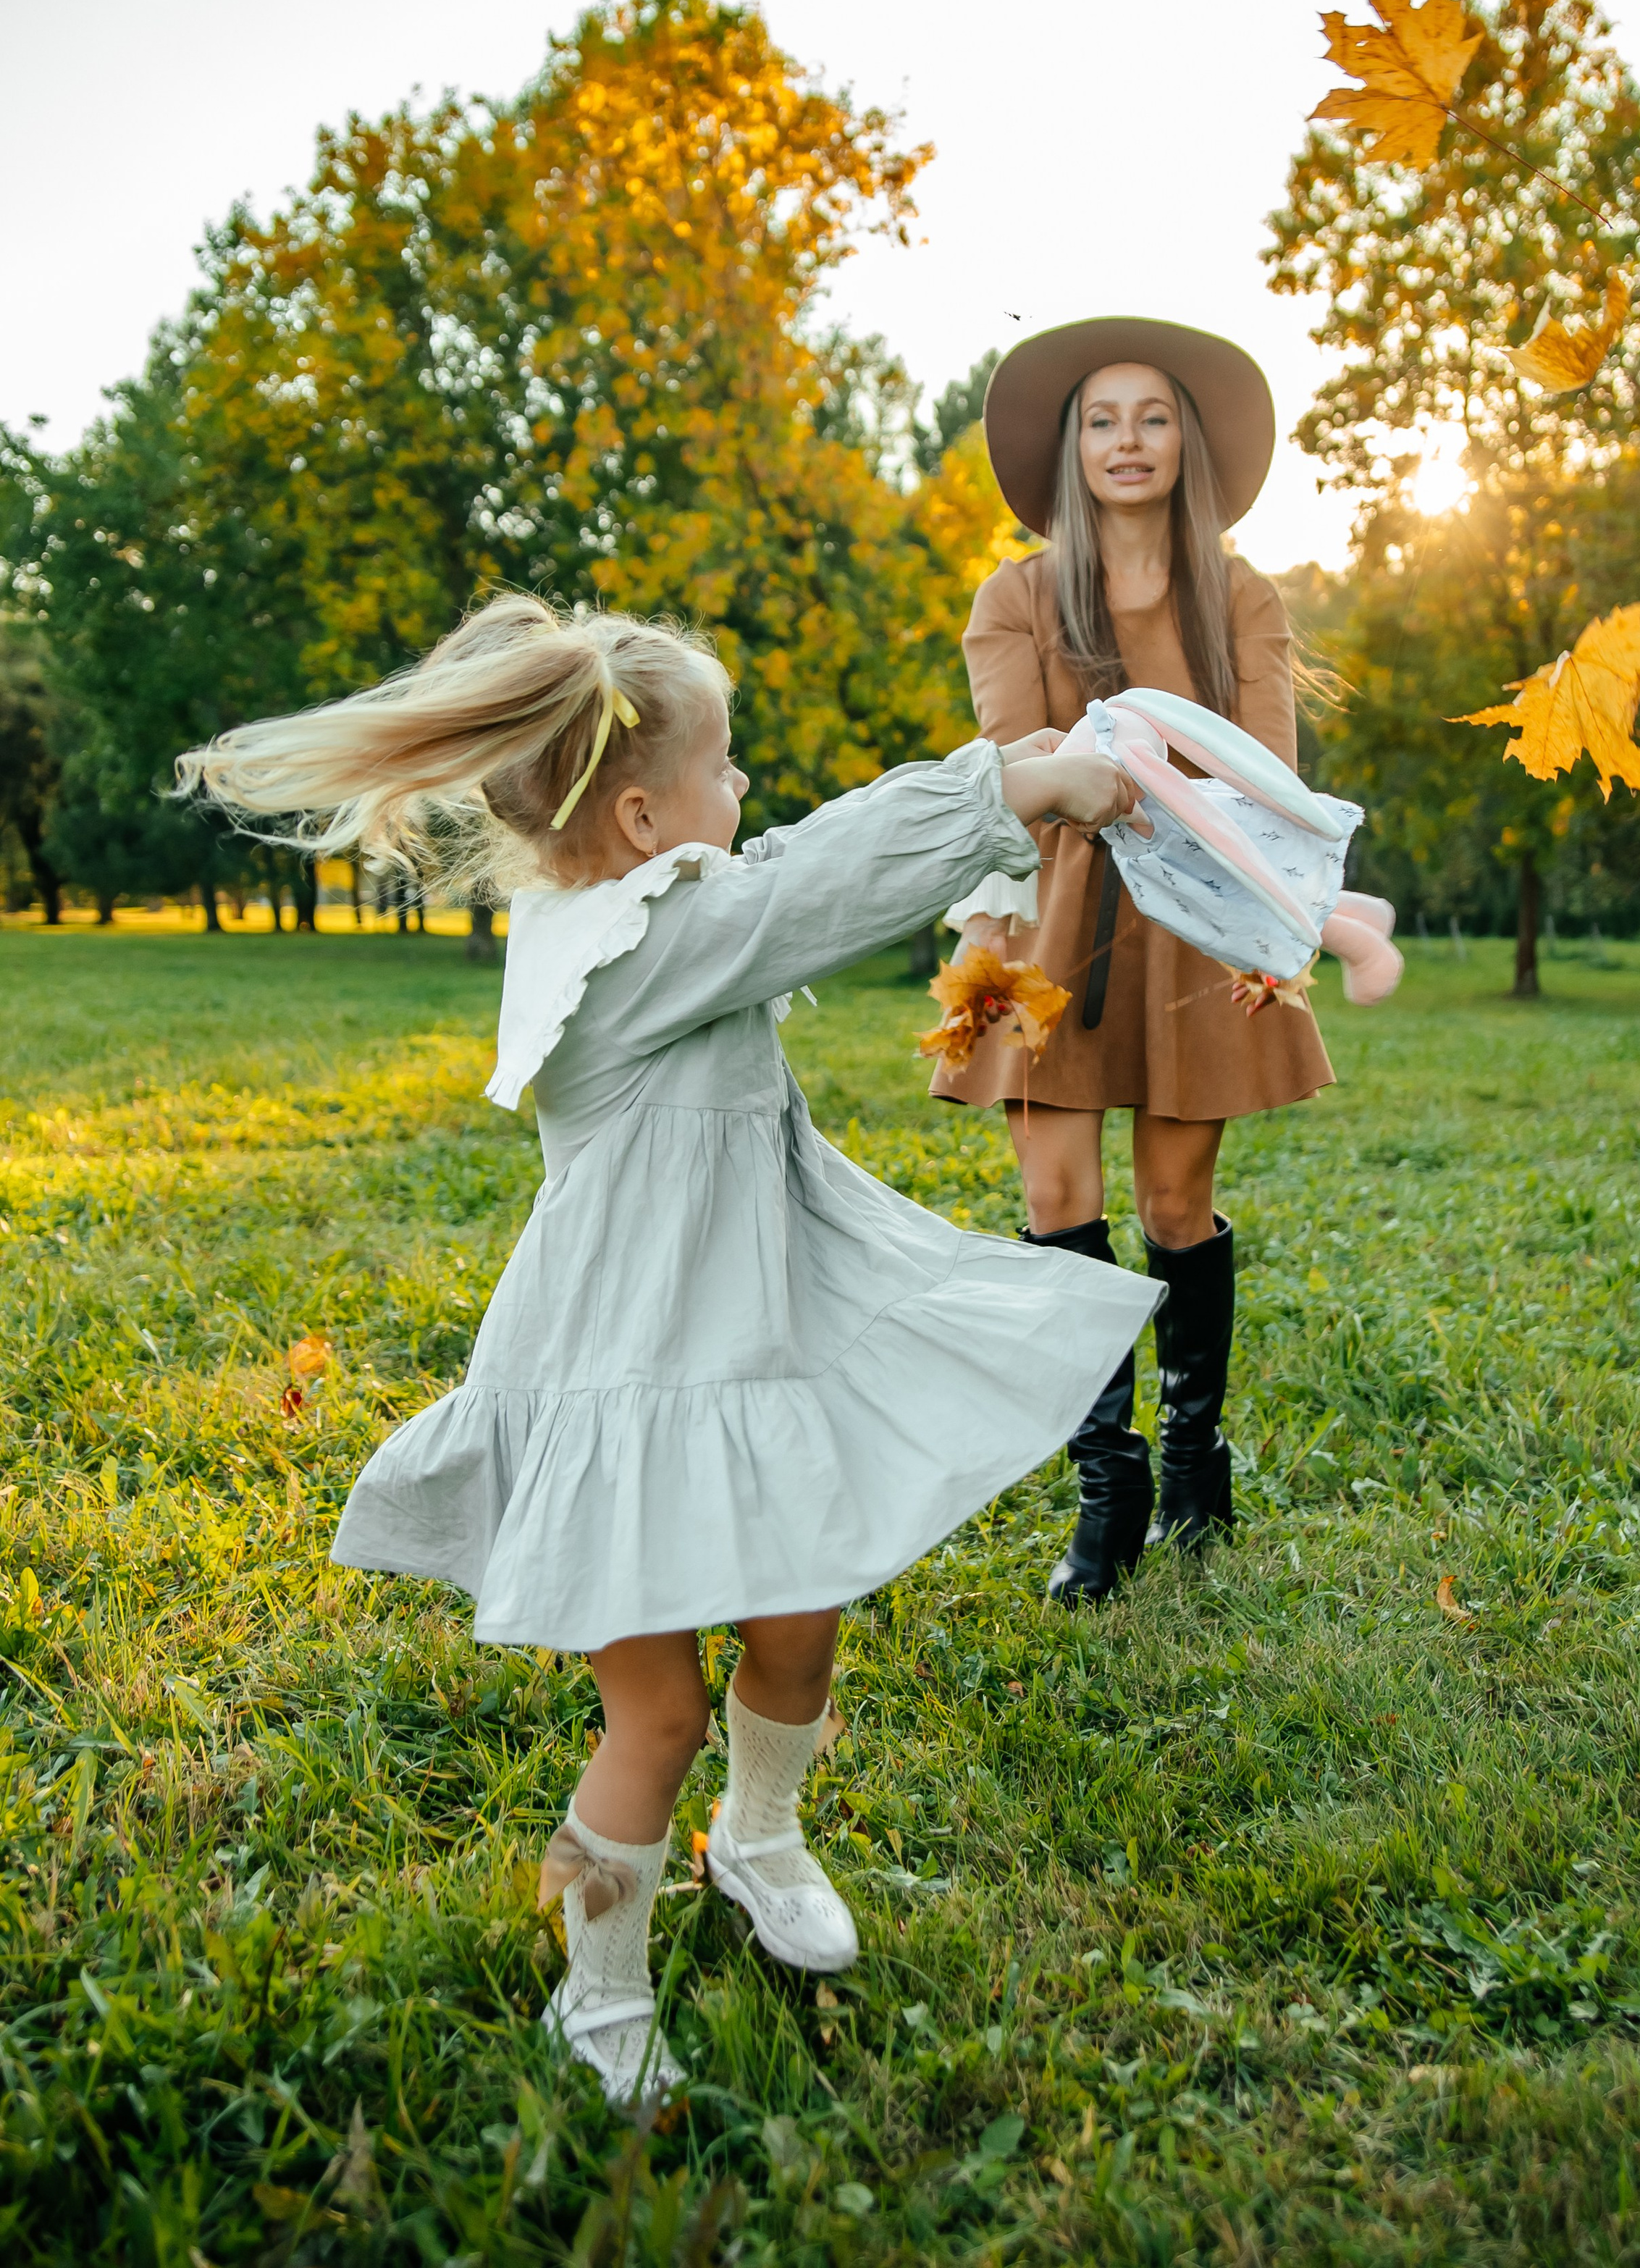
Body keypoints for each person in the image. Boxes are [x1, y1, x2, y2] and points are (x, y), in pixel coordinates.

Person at [175, 594, 1152, 2111]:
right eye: (728, 765)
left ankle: (758, 1842)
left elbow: (792, 882)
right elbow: (805, 888)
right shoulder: (632, 951)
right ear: (639, 818)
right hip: (620, 1400)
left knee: (798, 1639)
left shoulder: (649, 918)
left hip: (748, 1370)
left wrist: (1010, 806)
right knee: (657, 1715)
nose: (746, 792)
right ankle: (602, 1989)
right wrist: (1001, 785)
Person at [929, 317, 1333, 1605]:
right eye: (1102, 420)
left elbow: (1260, 760)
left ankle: (1196, 1449)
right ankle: (1109, 1493)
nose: (1126, 442)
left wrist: (1147, 766)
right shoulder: (1019, 595)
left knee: (1170, 1207)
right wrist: (1117, 763)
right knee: (1058, 1196)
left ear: (1187, 443)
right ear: (1071, 447)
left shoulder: (1243, 595)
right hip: (1047, 906)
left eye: (1152, 418)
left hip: (1194, 911)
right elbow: (1025, 755)